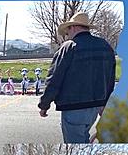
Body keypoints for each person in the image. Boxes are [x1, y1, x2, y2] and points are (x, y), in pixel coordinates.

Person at [38, 12, 117, 143]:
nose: (67, 35)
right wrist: (105, 103)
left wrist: (44, 105)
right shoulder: (105, 46)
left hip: (73, 107)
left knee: (75, 144)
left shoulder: (68, 47)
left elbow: (54, 79)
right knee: (83, 139)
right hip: (95, 107)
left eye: (67, 31)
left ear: (73, 27)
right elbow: (110, 79)